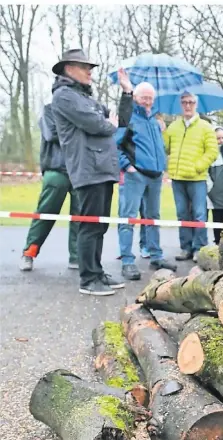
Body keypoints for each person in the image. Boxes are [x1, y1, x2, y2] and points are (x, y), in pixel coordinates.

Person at [51, 49, 124, 296]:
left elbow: (117, 121)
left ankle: (97, 270)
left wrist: (127, 92)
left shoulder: (86, 98)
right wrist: (108, 124)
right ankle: (88, 279)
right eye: (85, 67)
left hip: (103, 169)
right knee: (90, 226)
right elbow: (97, 124)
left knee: (100, 225)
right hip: (87, 169)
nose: (90, 72)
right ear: (69, 69)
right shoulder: (64, 96)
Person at [115, 78, 177, 280]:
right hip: (136, 175)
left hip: (155, 176)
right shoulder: (128, 118)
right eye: (144, 98)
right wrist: (127, 166)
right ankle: (127, 260)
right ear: (135, 98)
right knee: (128, 217)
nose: (148, 102)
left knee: (153, 217)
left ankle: (155, 255)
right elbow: (115, 145)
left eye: (151, 98)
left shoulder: (155, 121)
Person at [19, 101, 80, 272]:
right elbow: (52, 134)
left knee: (80, 216)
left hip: (79, 171)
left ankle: (76, 257)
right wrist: (80, 131)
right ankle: (29, 253)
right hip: (56, 168)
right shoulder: (50, 109)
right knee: (45, 213)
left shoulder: (81, 108)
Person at [163, 91, 219, 262]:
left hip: (197, 179)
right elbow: (165, 148)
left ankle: (199, 249)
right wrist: (162, 132)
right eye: (184, 102)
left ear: (196, 104)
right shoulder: (173, 127)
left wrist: (198, 166)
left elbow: (212, 151)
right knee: (182, 214)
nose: (187, 105)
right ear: (181, 104)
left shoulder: (205, 127)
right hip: (178, 178)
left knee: (199, 214)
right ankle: (185, 248)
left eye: (191, 102)